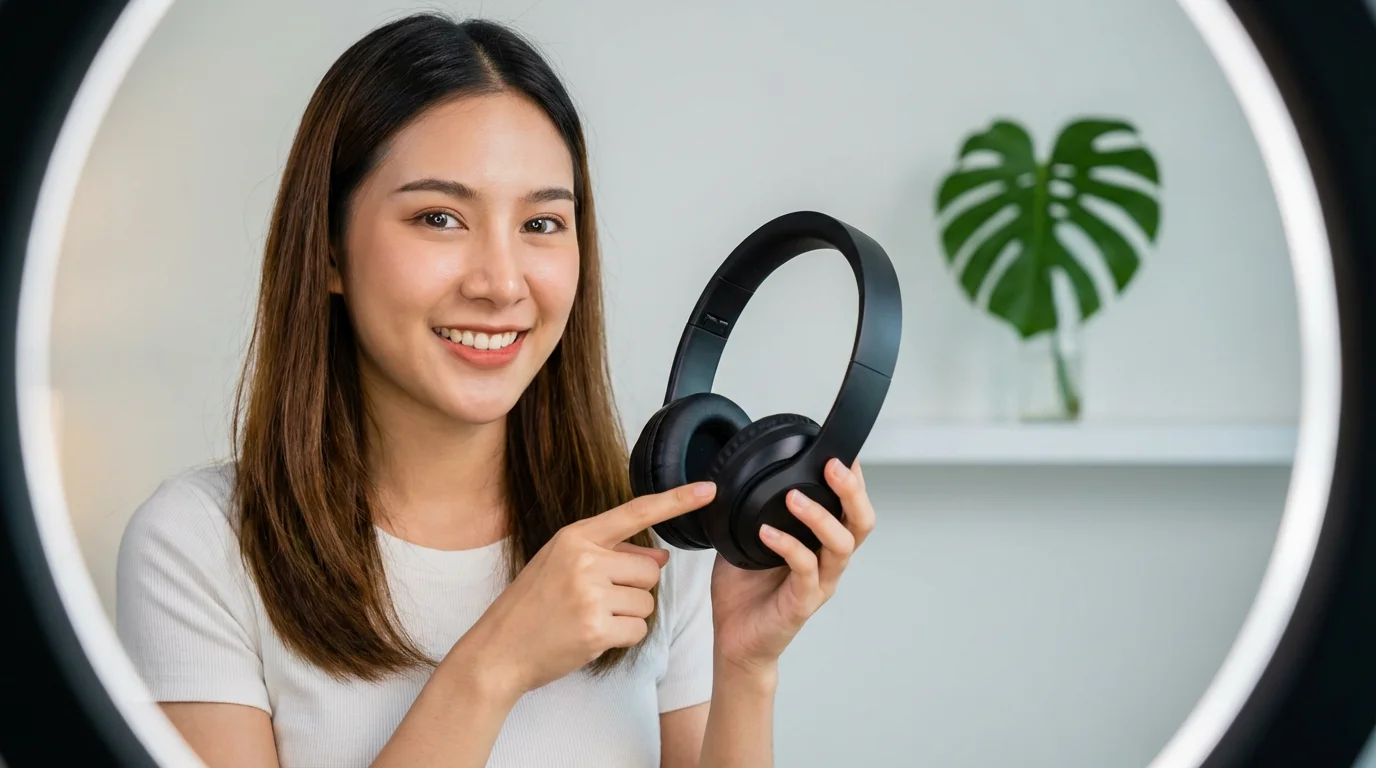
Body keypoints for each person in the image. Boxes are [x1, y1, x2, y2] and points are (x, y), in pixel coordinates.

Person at [114, 12, 876, 768]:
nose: (502, 284)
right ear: (329, 252)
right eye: (440, 217)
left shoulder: (652, 533)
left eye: (543, 224)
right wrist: (493, 667)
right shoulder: (201, 544)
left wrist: (746, 668)